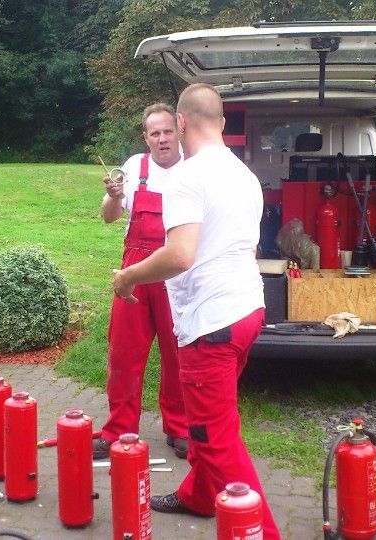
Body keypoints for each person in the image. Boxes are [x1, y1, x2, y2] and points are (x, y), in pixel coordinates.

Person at [111, 84, 280, 539]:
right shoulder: (243, 174)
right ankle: (199, 497)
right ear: (222, 123)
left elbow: (180, 255)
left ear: (182, 123)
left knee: (215, 437)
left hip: (213, 324)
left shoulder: (188, 176)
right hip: (248, 311)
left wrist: (127, 277)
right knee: (214, 419)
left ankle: (262, 530)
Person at [94, 103, 189, 461]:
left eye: (167, 131)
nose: (162, 139)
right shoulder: (135, 168)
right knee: (123, 352)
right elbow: (107, 217)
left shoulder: (193, 168)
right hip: (133, 274)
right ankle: (119, 429)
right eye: (155, 133)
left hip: (175, 274)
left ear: (178, 131)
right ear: (145, 137)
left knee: (177, 353)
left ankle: (179, 428)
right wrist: (115, 197)